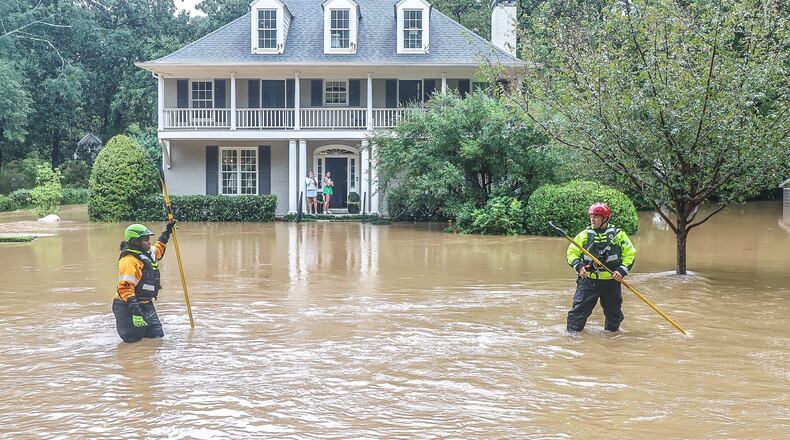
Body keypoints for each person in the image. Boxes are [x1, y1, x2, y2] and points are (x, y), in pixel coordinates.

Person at [566, 203, 636, 333]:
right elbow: (572, 252)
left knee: (614, 315)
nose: (592, 220)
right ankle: (572, 338)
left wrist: (621, 270)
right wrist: (579, 266)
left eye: (596, 217)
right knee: (577, 313)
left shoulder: (619, 235)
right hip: (589, 281)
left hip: (611, 282)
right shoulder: (584, 235)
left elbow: (630, 253)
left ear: (605, 218)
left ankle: (612, 338)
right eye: (591, 216)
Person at [113, 221, 176, 343]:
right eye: (145, 239)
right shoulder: (129, 260)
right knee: (133, 342)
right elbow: (125, 289)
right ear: (135, 241)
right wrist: (136, 312)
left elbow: (158, 248)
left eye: (149, 239)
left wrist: (168, 232)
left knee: (157, 336)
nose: (149, 242)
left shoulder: (148, 253)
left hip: (146, 303)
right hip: (127, 306)